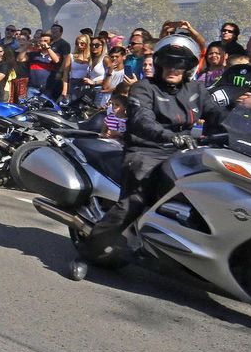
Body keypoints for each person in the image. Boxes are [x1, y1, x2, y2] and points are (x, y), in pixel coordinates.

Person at [76, 35, 204, 278]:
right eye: (168, 63)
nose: (173, 69)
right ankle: (88, 252)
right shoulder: (144, 88)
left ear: (189, 67)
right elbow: (141, 119)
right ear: (158, 63)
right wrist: (167, 135)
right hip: (146, 151)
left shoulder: (197, 90)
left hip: (184, 153)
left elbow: (220, 114)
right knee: (134, 202)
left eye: (179, 64)